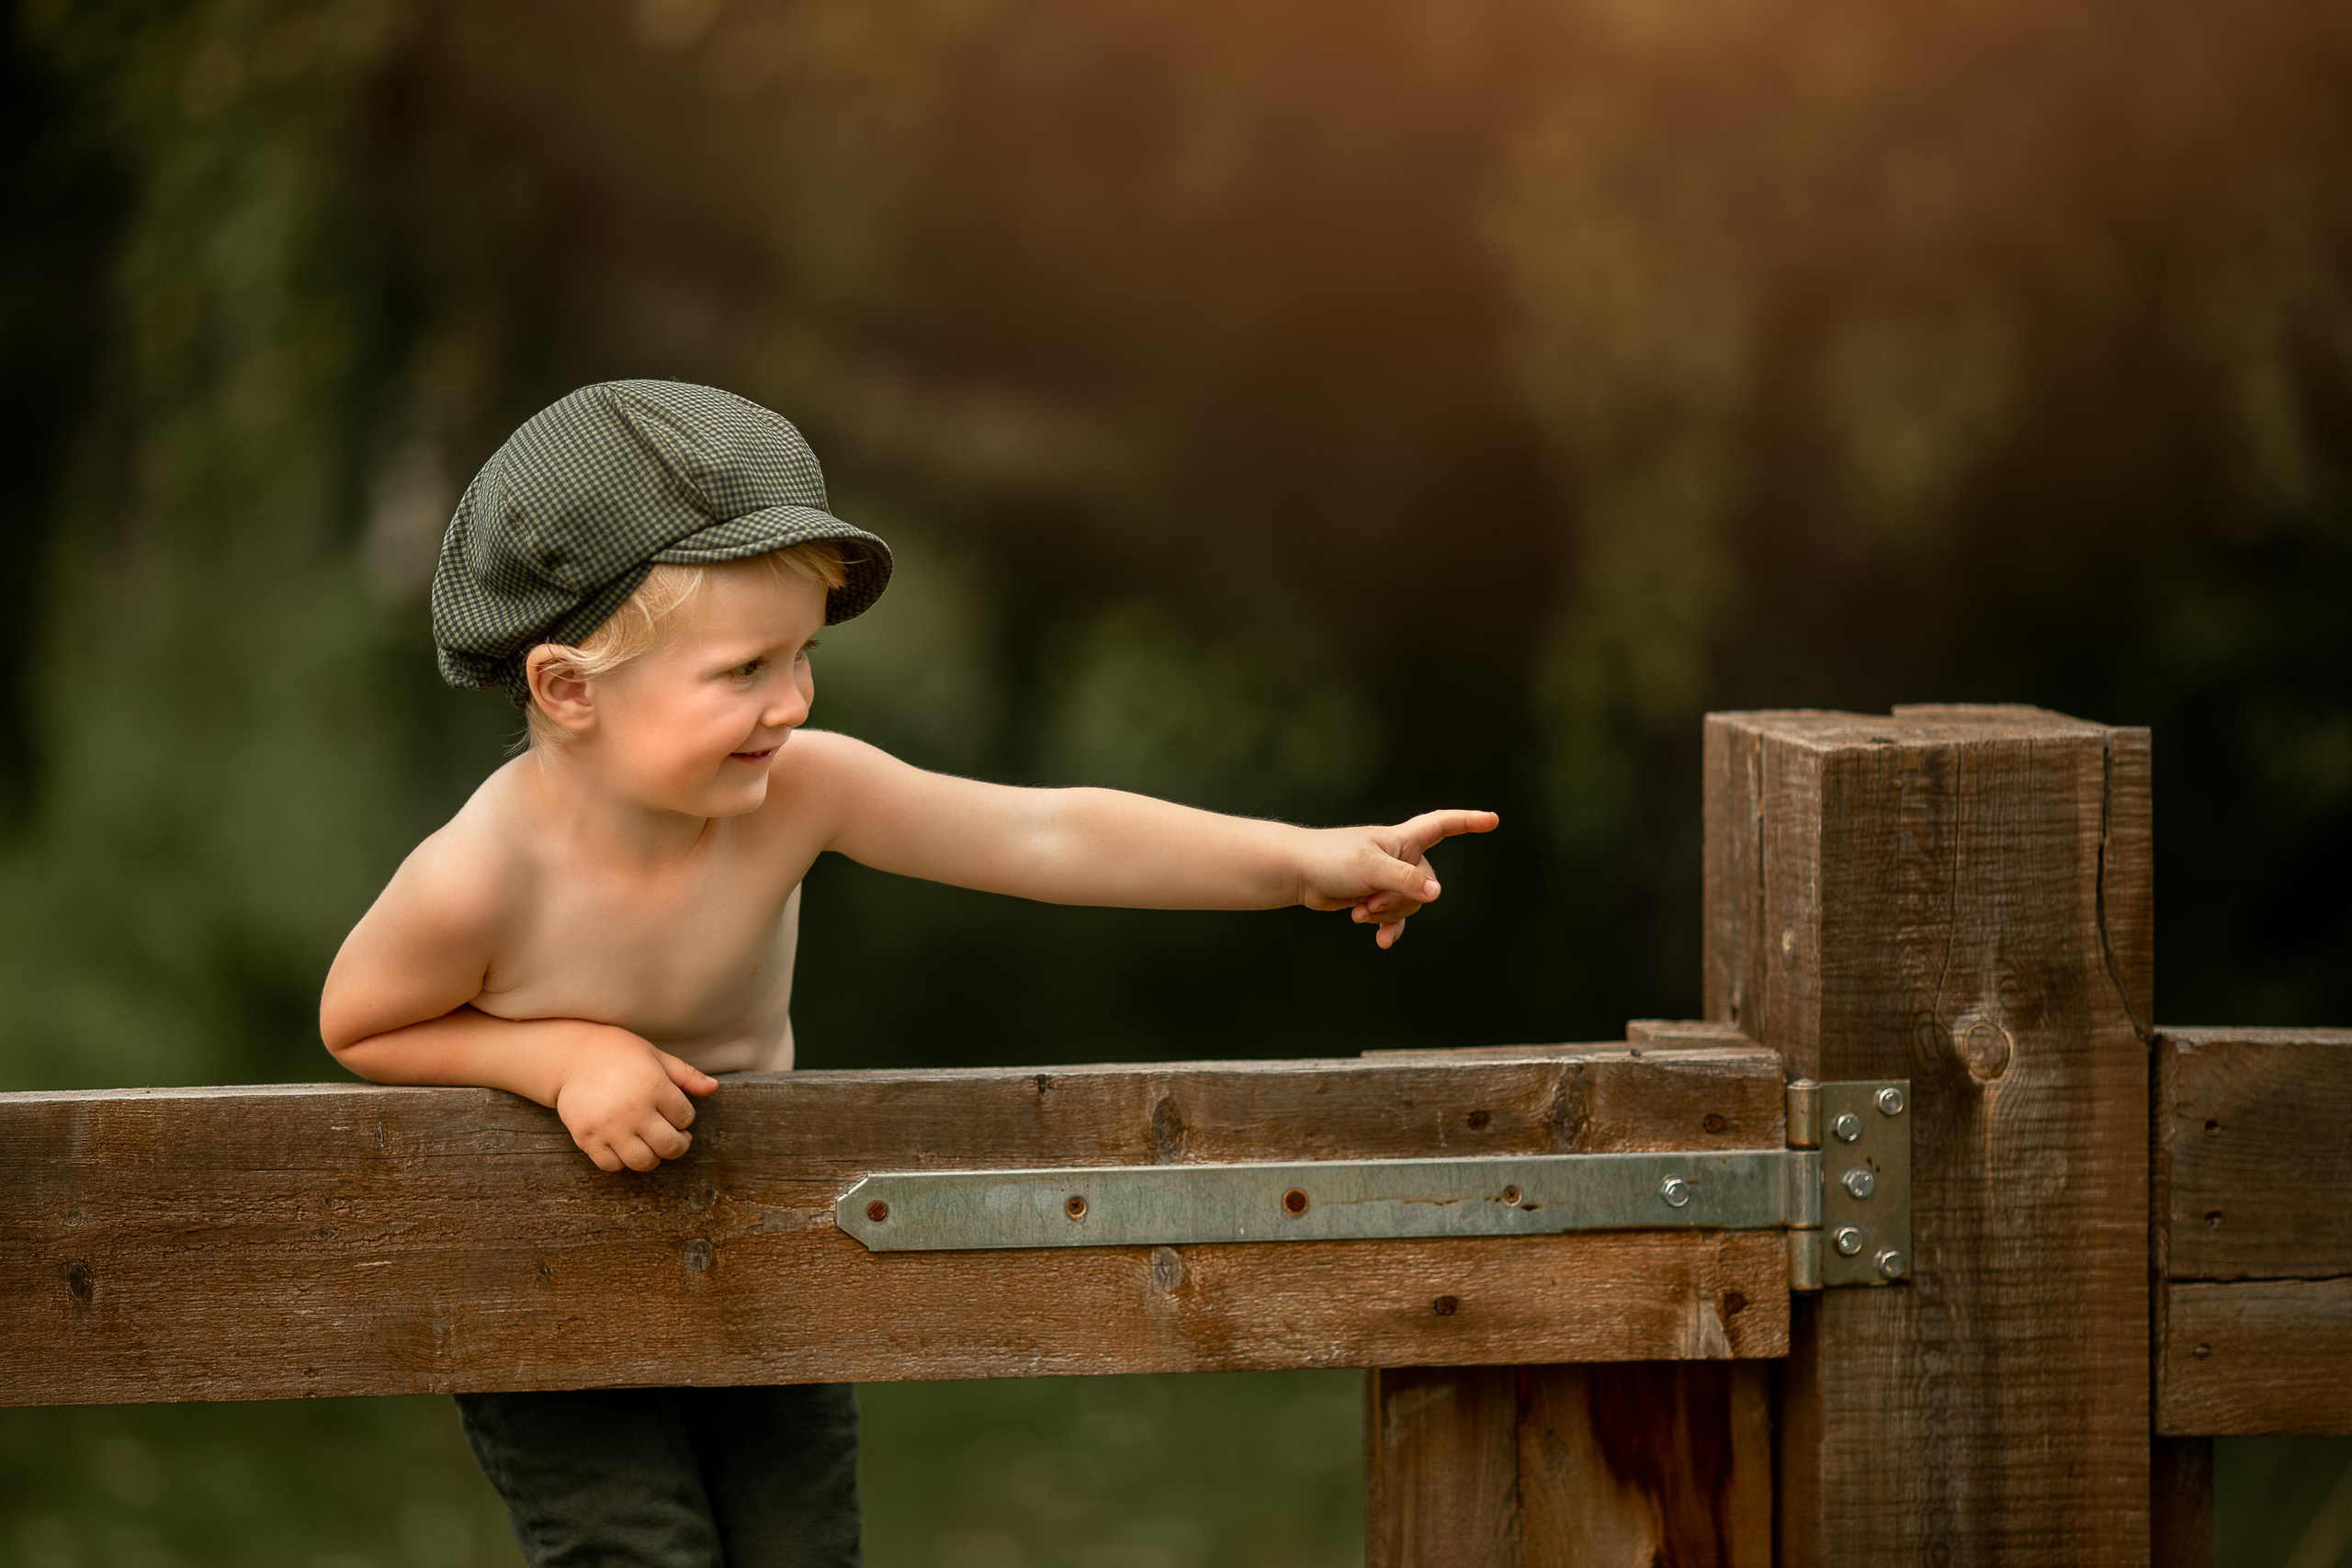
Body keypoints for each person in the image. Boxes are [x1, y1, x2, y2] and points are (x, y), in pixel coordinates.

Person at [318, 379, 1498, 1568]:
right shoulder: (482, 874)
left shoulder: (797, 795)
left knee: (803, 1551)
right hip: (543, 1268)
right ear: (569, 689)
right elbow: (361, 1023)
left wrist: (1299, 859)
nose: (792, 702)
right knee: (637, 1555)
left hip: (766, 1240)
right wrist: (560, 1055)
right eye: (743, 672)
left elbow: (1047, 835)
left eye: (802, 656)